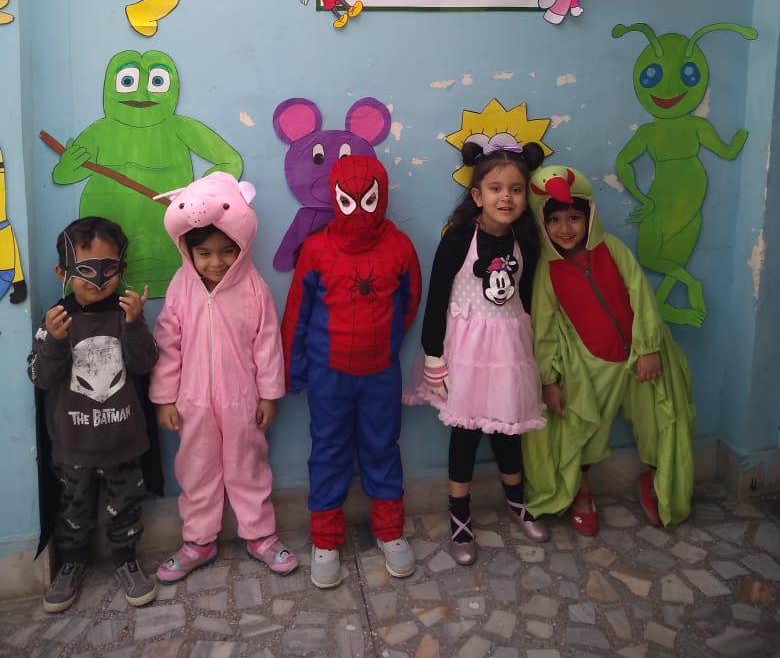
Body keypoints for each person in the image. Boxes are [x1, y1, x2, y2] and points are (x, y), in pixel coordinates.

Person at [524, 164, 696, 533]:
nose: (565, 228)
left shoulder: (612, 249)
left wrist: (648, 348)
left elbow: (641, 295)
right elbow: (544, 330)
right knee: (578, 427)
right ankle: (581, 491)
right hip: (590, 364)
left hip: (641, 357)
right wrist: (549, 380)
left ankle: (656, 481)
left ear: (589, 216)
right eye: (554, 220)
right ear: (542, 223)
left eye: (574, 217)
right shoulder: (547, 272)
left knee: (658, 420)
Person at [404, 140, 549, 566]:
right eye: (496, 188)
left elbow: (526, 298)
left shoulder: (527, 241)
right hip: (465, 353)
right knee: (465, 434)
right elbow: (436, 301)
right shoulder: (457, 240)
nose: (507, 197)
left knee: (508, 429)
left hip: (508, 351)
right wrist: (434, 357)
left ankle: (517, 500)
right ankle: (460, 516)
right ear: (477, 195)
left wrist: (532, 350)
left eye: (516, 189)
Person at [150, 172, 298, 582]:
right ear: (188, 250)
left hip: (242, 400)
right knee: (196, 470)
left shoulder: (253, 288)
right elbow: (168, 344)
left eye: (226, 251)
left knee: (248, 467)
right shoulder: (181, 287)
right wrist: (164, 398)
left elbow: (267, 344)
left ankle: (260, 535)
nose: (216, 262)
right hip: (192, 402)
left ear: (241, 247)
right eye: (205, 253)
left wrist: (269, 394)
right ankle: (198, 541)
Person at [282, 156, 421, 588]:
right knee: (328, 450)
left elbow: (409, 302)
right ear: (335, 198)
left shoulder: (400, 248)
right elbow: (297, 313)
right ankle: (325, 539)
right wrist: (293, 369)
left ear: (381, 195)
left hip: (380, 372)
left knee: (383, 447)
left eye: (368, 200)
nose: (359, 211)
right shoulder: (317, 250)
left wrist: (386, 344)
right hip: (328, 374)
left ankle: (390, 529)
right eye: (349, 201)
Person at [28, 216, 158, 613]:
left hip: (124, 442)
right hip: (73, 447)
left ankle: (126, 560)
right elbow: (41, 377)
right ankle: (70, 563)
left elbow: (145, 363)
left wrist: (134, 324)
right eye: (84, 270)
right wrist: (55, 340)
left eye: (108, 269)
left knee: (127, 509)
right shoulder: (56, 320)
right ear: (62, 272)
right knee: (72, 511)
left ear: (122, 268)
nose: (97, 280)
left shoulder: (126, 314)